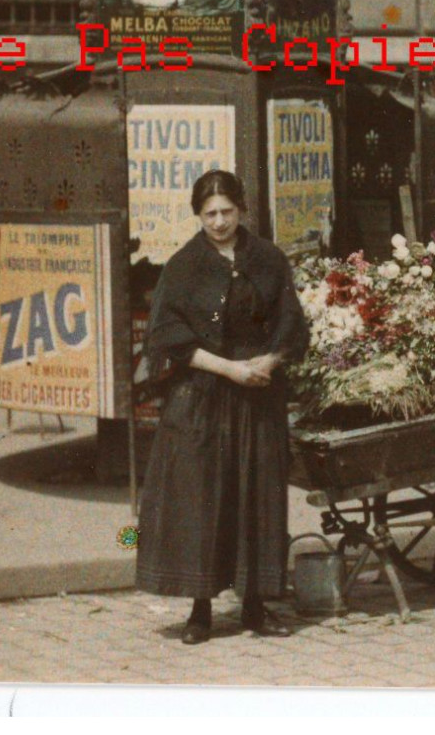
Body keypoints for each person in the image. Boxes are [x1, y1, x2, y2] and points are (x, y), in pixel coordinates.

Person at [134, 170, 309, 644]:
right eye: (209, 214)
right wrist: (229, 370)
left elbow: (291, 324)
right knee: (203, 501)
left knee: (256, 497)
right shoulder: (184, 266)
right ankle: (200, 610)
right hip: (204, 397)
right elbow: (168, 336)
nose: (218, 222)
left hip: (258, 399)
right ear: (197, 215)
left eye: (226, 212)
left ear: (242, 210)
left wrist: (268, 362)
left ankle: (255, 606)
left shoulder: (268, 259)